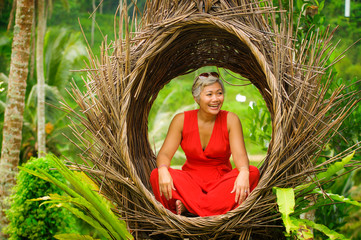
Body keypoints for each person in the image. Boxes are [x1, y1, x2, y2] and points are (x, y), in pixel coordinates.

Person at [150, 72, 260, 217]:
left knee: (252, 172)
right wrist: (163, 169)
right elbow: (164, 154)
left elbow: (240, 156)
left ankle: (190, 208)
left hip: (221, 185)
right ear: (196, 98)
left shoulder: (231, 120)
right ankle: (213, 210)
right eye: (209, 94)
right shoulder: (181, 120)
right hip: (190, 184)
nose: (216, 99)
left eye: (219, 93)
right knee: (156, 174)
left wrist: (244, 172)